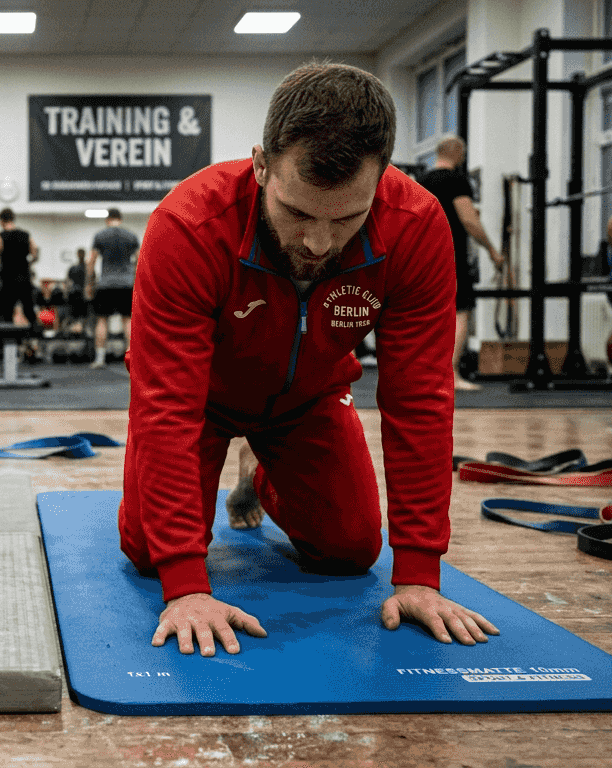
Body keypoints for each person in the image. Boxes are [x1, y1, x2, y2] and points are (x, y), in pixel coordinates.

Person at [121, 63, 499, 659]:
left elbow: (420, 398)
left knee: (350, 550)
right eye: (297, 213)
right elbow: (165, 404)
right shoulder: (189, 226)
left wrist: (420, 572)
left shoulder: (417, 227)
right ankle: (227, 467)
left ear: (382, 180)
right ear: (261, 164)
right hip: (203, 403)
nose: (319, 244)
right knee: (147, 551)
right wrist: (187, 585)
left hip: (308, 400)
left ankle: (261, 473)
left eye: (346, 218)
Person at [418, 134, 503, 391]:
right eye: (463, 152)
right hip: (449, 256)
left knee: (427, 315)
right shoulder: (456, 179)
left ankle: (426, 375)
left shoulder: (422, 181)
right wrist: (491, 250)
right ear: (456, 151)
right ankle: (451, 376)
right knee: (460, 311)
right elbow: (469, 220)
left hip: (422, 257)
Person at [87, 208, 140, 368]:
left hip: (106, 284)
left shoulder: (100, 235)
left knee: (102, 320)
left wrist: (89, 283)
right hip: (126, 283)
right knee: (127, 320)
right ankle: (132, 358)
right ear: (120, 219)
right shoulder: (130, 235)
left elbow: (92, 261)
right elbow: (139, 260)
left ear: (107, 220)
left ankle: (100, 359)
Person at [0, 208, 39, 327]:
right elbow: (35, 253)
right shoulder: (26, 235)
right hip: (24, 280)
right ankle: (36, 343)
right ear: (13, 219)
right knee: (30, 313)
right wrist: (27, 264)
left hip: (7, 280)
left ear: (1, 221)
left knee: (5, 315)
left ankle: (7, 344)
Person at [65, 247, 89, 336]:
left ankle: (81, 330)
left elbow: (91, 281)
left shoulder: (87, 268)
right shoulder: (73, 268)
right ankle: (74, 330)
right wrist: (66, 292)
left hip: (83, 295)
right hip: (75, 294)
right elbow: (68, 281)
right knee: (74, 315)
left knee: (83, 316)